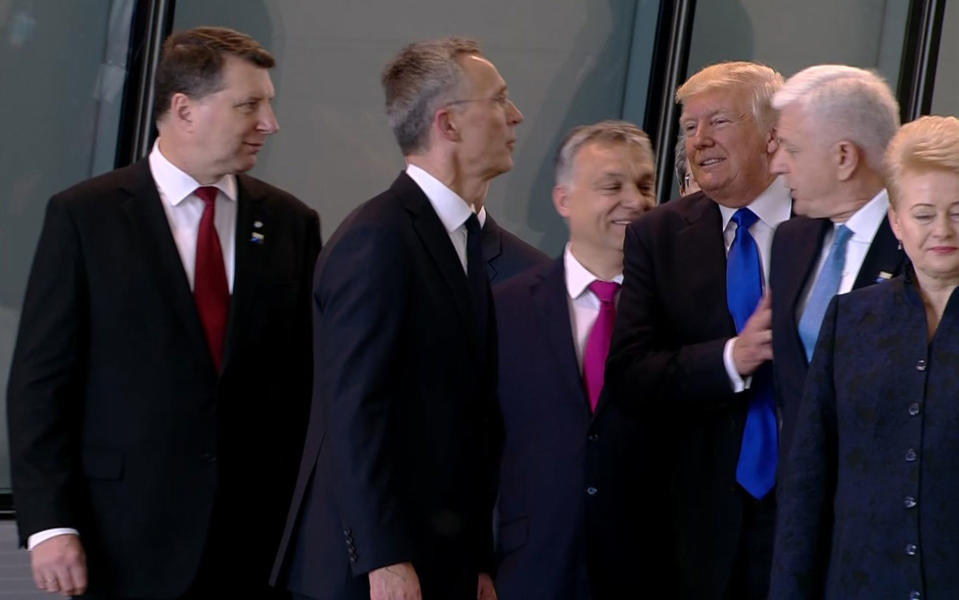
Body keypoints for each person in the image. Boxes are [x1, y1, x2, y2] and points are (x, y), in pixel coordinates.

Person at [6, 26, 321, 599]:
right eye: (249, 104)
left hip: (253, 549)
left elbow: (304, 387)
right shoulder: (86, 217)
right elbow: (40, 384)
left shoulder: (289, 224)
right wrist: (50, 524)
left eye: (268, 104)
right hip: (120, 542)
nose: (269, 123)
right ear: (184, 110)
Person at [271, 37, 520, 600]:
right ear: (448, 125)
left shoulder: (466, 241)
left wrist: (476, 560)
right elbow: (354, 414)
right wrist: (383, 559)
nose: (516, 115)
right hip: (374, 573)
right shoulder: (377, 239)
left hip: (441, 560)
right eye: (499, 99)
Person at [606, 61, 790, 600]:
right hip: (695, 522)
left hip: (807, 511)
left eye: (719, 122)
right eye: (689, 127)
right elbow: (631, 375)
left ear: (772, 133)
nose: (700, 141)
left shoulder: (823, 224)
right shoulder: (657, 237)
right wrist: (734, 357)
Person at [770, 114, 959, 599]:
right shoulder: (851, 319)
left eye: (958, 211)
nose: (942, 229)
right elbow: (808, 479)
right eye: (923, 214)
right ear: (896, 222)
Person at [493, 120, 658, 599]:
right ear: (563, 200)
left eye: (644, 185)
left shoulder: (679, 309)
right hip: (528, 571)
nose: (636, 200)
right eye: (612, 185)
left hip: (646, 572)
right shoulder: (506, 309)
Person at [768, 65, 905, 464]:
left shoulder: (921, 249)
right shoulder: (790, 241)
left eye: (791, 149)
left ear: (844, 157)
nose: (777, 164)